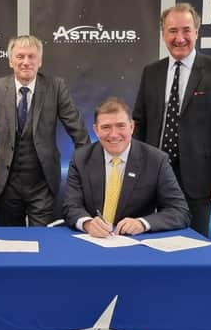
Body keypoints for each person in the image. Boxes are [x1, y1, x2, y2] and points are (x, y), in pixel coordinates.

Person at [132, 3, 211, 236]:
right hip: (154, 174)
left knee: (194, 245)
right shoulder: (151, 71)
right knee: (153, 241)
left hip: (198, 179)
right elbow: (139, 123)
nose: (179, 38)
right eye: (172, 31)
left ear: (196, 32)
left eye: (186, 30)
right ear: (163, 34)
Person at [0, 35, 90, 226]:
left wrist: (86, 168)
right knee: (10, 242)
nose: (26, 62)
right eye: (20, 57)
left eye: (31, 57)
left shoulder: (56, 87)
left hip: (43, 183)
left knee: (42, 240)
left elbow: (77, 130)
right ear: (11, 61)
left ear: (40, 61)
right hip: (5, 183)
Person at [63, 97, 190, 238]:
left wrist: (142, 223)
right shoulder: (80, 159)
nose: (113, 134)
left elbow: (180, 211)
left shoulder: (156, 160)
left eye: (121, 126)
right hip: (92, 241)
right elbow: (71, 206)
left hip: (136, 244)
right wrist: (87, 223)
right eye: (106, 127)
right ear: (96, 130)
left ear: (132, 127)